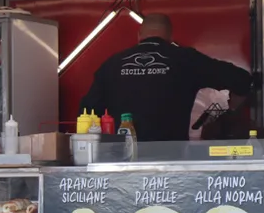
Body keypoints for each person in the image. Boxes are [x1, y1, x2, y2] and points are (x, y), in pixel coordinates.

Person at [78, 13, 253, 142]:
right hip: (171, 157)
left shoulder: (113, 63)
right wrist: (231, 110)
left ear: (139, 35)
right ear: (170, 37)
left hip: (123, 157)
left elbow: (87, 112)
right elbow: (242, 80)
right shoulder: (186, 59)